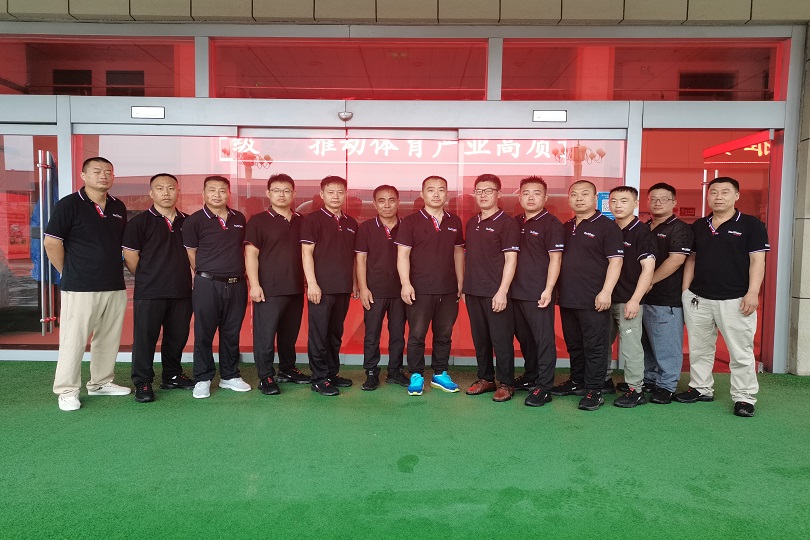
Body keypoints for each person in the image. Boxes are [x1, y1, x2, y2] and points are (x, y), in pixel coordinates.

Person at [675, 177, 769, 417]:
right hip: (699, 298)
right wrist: (686, 291)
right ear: (708, 196)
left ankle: (744, 397)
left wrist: (753, 293)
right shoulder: (699, 225)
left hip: (736, 299)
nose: (718, 196)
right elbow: (691, 259)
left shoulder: (751, 225)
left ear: (736, 196)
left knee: (740, 351)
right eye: (714, 192)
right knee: (700, 348)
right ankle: (701, 388)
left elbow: (758, 260)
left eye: (725, 192)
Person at [43, 156, 130, 411]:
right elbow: (51, 243)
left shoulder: (118, 206)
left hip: (114, 283)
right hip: (80, 285)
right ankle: (67, 390)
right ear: (83, 175)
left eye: (108, 172)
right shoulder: (69, 204)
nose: (103, 175)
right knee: (74, 339)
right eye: (97, 171)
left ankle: (101, 382)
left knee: (108, 338)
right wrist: (68, 271)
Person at [122, 173, 195, 403]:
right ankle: (142, 381)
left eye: (171, 188)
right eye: (160, 188)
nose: (166, 192)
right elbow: (130, 257)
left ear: (178, 192)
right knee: (145, 339)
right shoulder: (139, 223)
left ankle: (172, 375)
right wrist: (148, 276)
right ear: (151, 193)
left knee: (177, 337)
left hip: (182, 291)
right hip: (150, 292)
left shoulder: (188, 222)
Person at [552, 180, 624, 411]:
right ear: (569, 199)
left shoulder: (607, 227)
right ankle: (577, 381)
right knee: (574, 344)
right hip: (568, 298)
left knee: (595, 346)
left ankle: (595, 390)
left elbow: (616, 262)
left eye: (585, 194)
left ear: (595, 199)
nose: (579, 198)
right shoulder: (566, 227)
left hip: (594, 299)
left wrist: (606, 292)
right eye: (574, 194)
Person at [183, 175, 250, 399]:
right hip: (207, 284)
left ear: (229, 193)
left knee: (231, 332)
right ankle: (202, 378)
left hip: (237, 284)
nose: (217, 194)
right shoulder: (194, 221)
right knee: (204, 332)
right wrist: (206, 274)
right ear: (203, 194)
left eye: (222, 190)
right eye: (212, 190)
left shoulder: (239, 218)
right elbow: (191, 253)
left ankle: (229, 375)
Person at [396, 175, 464, 396]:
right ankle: (416, 374)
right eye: (431, 189)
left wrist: (460, 281)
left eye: (441, 190)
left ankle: (440, 373)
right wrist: (406, 283)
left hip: (448, 288)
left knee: (444, 333)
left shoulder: (454, 221)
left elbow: (458, 252)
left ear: (447, 194)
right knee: (417, 334)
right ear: (422, 194)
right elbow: (403, 255)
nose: (436, 194)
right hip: (420, 288)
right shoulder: (410, 222)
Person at [245, 173, 311, 397]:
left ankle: (287, 369)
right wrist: (254, 285)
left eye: (286, 191)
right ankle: (265, 376)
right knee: (265, 335)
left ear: (293, 194)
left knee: (288, 334)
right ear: (268, 193)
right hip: (269, 289)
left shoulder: (302, 220)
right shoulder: (258, 221)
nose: (281, 195)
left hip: (295, 287)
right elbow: (251, 254)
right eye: (276, 190)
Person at [463, 174, 521, 402]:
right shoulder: (472, 222)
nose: (483, 195)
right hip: (473, 290)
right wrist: (465, 287)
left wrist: (502, 291)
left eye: (488, 190)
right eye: (479, 191)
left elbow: (511, 260)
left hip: (496, 292)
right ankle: (486, 378)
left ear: (499, 194)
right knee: (480, 339)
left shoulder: (507, 223)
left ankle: (506, 383)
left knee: (501, 339)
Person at [300, 175, 358, 396]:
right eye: (331, 192)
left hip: (343, 287)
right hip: (321, 288)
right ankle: (319, 378)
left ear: (345, 195)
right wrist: (312, 284)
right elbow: (306, 253)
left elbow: (353, 257)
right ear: (322, 194)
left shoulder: (351, 223)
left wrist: (354, 282)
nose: (335, 196)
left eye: (340, 192)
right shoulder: (313, 220)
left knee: (335, 333)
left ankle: (332, 373)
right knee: (319, 335)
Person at [636, 182, 693, 404]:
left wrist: (648, 281)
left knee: (666, 344)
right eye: (653, 199)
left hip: (666, 298)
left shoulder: (679, 228)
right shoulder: (644, 227)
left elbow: (677, 260)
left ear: (674, 203)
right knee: (647, 343)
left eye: (664, 199)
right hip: (643, 297)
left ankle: (667, 386)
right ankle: (650, 379)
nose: (658, 202)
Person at [510, 176, 564, 407]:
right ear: (520, 196)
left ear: (545, 197)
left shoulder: (551, 224)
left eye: (536, 193)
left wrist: (549, 289)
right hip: (515, 292)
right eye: (526, 193)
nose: (530, 197)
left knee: (543, 340)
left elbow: (556, 259)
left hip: (538, 292)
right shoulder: (515, 222)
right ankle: (531, 375)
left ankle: (544, 386)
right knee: (525, 339)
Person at [605, 186, 656, 408]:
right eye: (614, 201)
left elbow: (648, 268)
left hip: (628, 300)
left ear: (635, 204)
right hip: (605, 298)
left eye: (624, 201)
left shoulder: (642, 232)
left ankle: (636, 390)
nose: (618, 205)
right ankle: (604, 380)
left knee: (631, 347)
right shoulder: (608, 229)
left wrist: (635, 299)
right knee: (602, 343)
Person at [355, 185, 409, 390]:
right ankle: (371, 373)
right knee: (372, 335)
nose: (387, 205)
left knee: (398, 334)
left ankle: (395, 371)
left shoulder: (407, 226)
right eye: (382, 200)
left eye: (391, 200)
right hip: (374, 291)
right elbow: (361, 259)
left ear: (398, 202)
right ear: (375, 204)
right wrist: (363, 288)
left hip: (400, 291)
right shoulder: (366, 228)